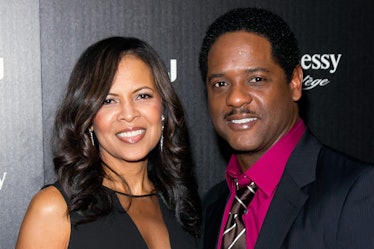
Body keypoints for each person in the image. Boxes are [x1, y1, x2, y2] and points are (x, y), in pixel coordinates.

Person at [198, 7, 374, 249]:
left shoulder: (357, 192)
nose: (235, 98)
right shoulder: (213, 204)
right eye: (220, 83)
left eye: (256, 79)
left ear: (294, 82)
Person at [16, 36, 201, 249]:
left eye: (142, 96)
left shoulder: (181, 205)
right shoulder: (54, 209)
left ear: (163, 108)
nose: (129, 114)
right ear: (89, 119)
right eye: (109, 101)